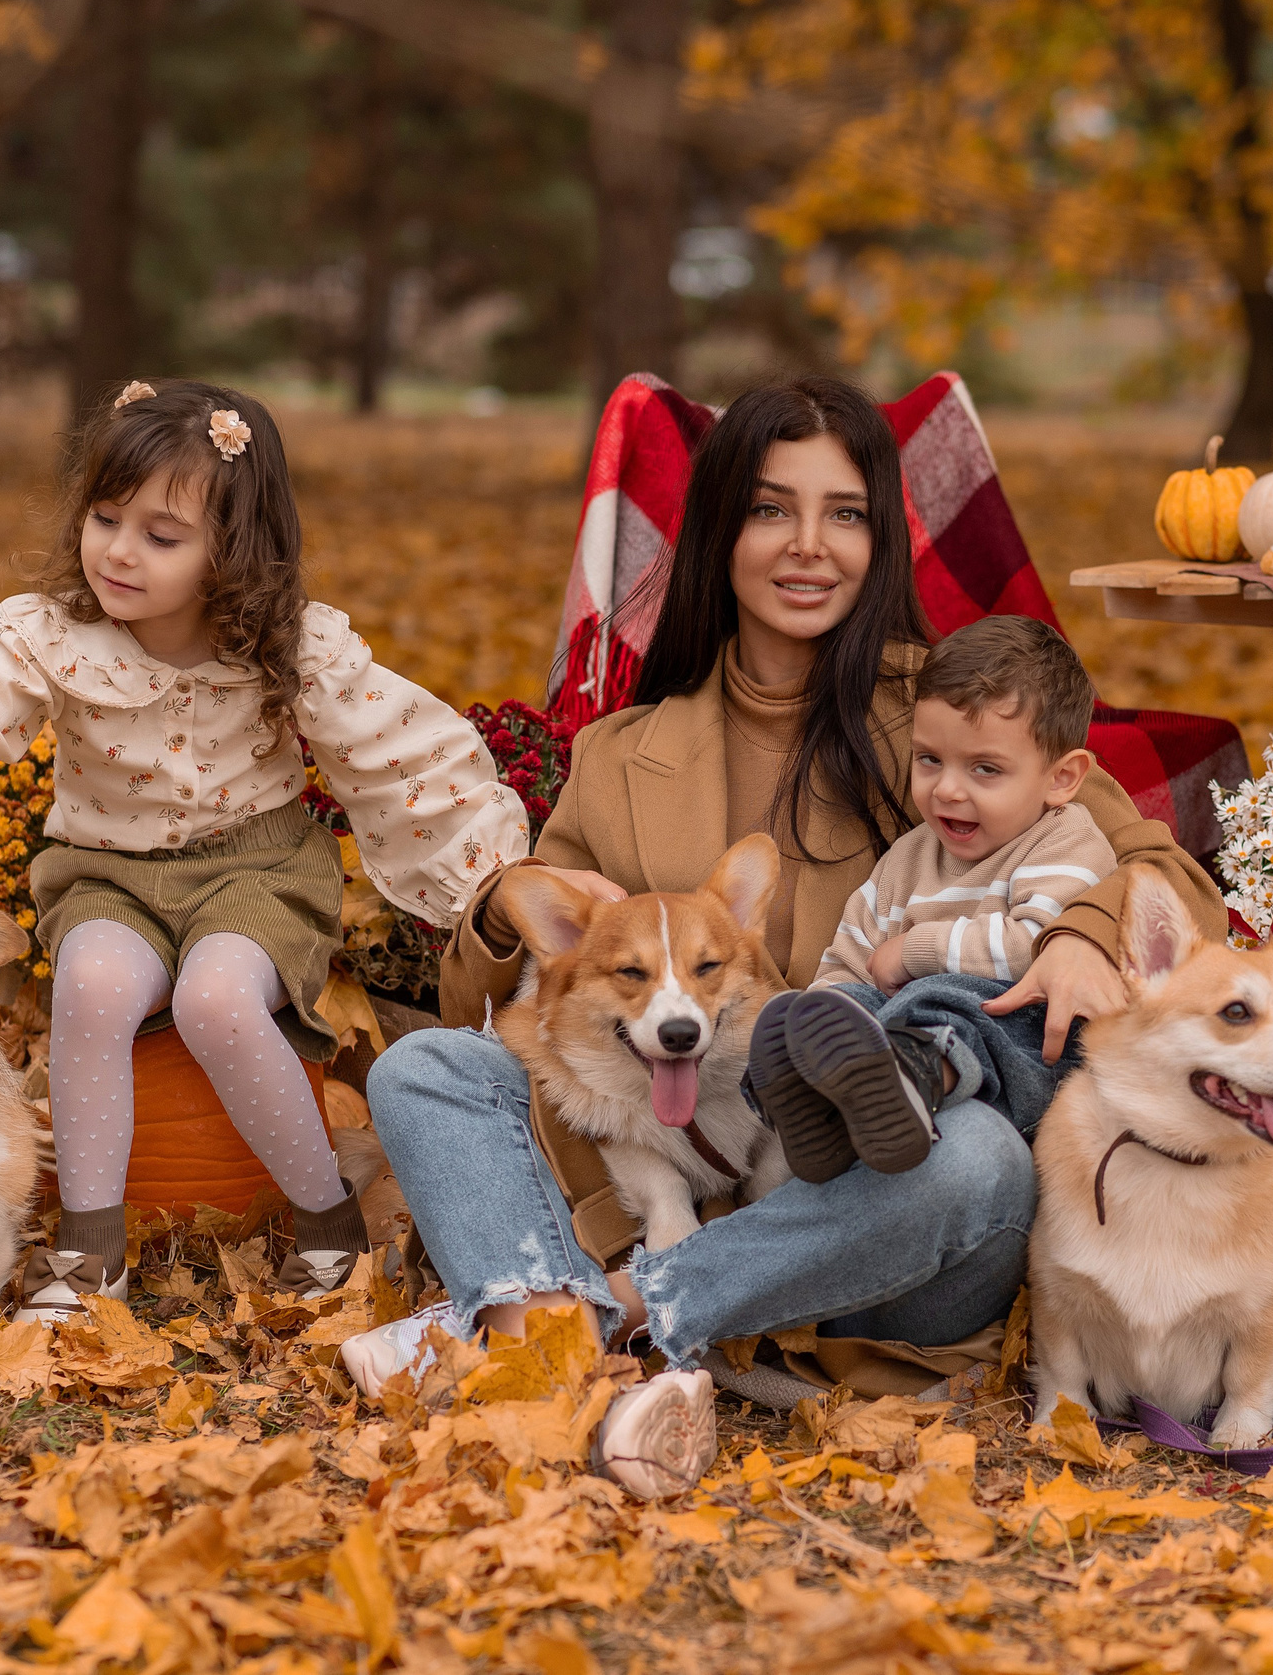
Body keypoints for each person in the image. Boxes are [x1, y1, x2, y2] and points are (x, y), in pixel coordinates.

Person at [350, 375, 1227, 1454]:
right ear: (718, 529)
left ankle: (600, 1317)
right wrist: (501, 904)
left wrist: (1081, 933)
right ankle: (579, 1330)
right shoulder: (622, 750)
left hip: (878, 1230)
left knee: (983, 1153)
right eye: (771, 508)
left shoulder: (949, 712)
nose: (808, 545)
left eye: (845, 513)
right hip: (660, 1172)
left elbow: (1159, 868)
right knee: (425, 1068)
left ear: (879, 539)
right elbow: (501, 999)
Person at [0, 378, 530, 1315]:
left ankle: (326, 1221)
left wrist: (501, 870)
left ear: (233, 550)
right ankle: (89, 1250)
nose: (120, 550)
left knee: (219, 1000)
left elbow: (394, 746)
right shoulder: (56, 639)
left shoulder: (287, 645)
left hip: (255, 871)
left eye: (162, 534)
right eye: (106, 517)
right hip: (108, 873)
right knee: (94, 986)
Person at [751, 615, 1122, 1182]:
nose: (947, 789)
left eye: (985, 769)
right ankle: (821, 1105)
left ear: (1061, 778)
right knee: (838, 1006)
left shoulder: (1066, 840)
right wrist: (822, 1013)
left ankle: (910, 1074)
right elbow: (850, 958)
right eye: (930, 759)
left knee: (955, 996)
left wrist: (914, 952)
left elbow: (1035, 951)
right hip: (903, 1070)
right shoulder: (908, 859)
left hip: (1028, 1069)